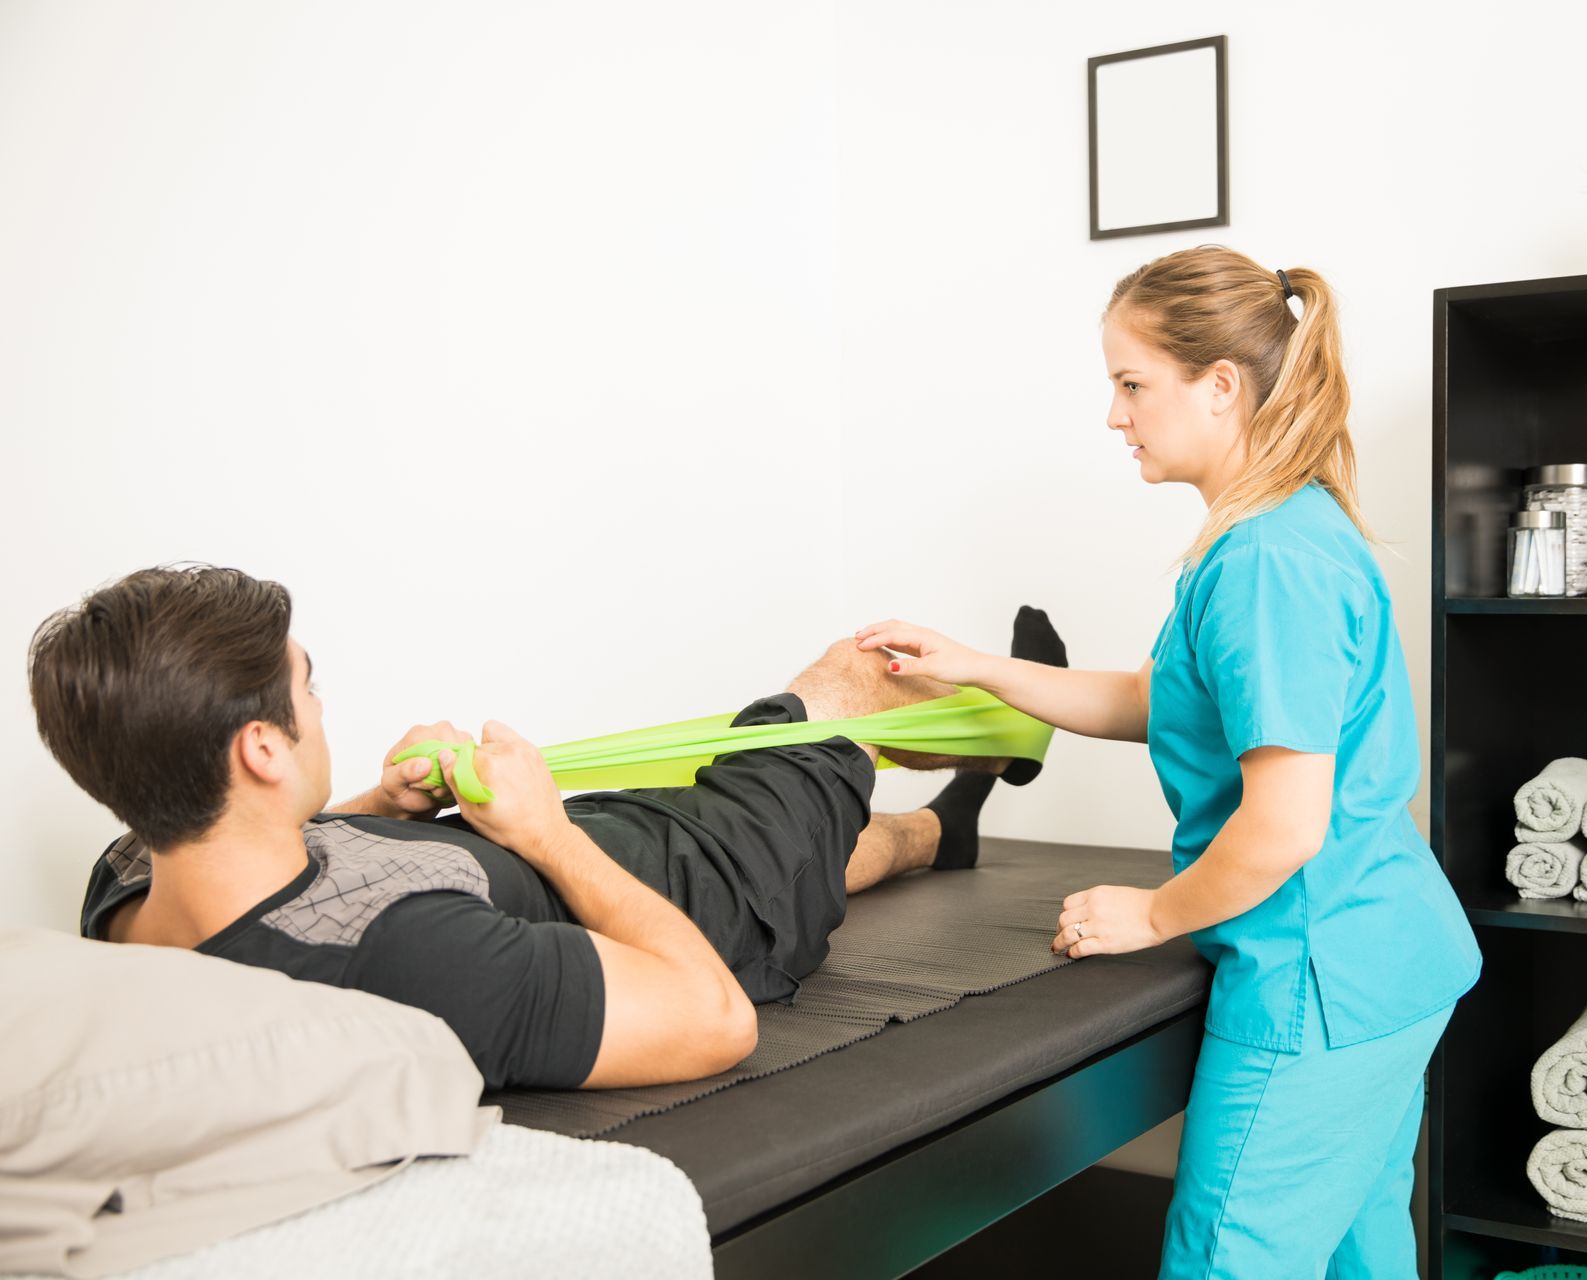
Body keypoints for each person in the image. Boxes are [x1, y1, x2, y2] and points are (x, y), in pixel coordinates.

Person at [856, 246, 1482, 1278]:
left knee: (1226, 1262)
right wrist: (978, 667)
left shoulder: (1267, 561)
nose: (1115, 414)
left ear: (1220, 386)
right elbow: (1159, 700)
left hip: (1318, 980)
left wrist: (1149, 913)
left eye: (1133, 383)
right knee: (1359, 1255)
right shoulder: (1269, 533)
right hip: (1386, 964)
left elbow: (1284, 824)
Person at [32, 565, 1066, 1091]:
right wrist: (543, 835)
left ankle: (944, 833)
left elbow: (278, 880)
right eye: (308, 688)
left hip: (582, 844)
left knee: (823, 839)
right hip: (710, 899)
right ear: (261, 750)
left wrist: (374, 808)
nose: (320, 705)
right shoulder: (411, 956)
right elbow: (714, 1019)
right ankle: (1015, 736)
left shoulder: (127, 878)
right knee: (850, 675)